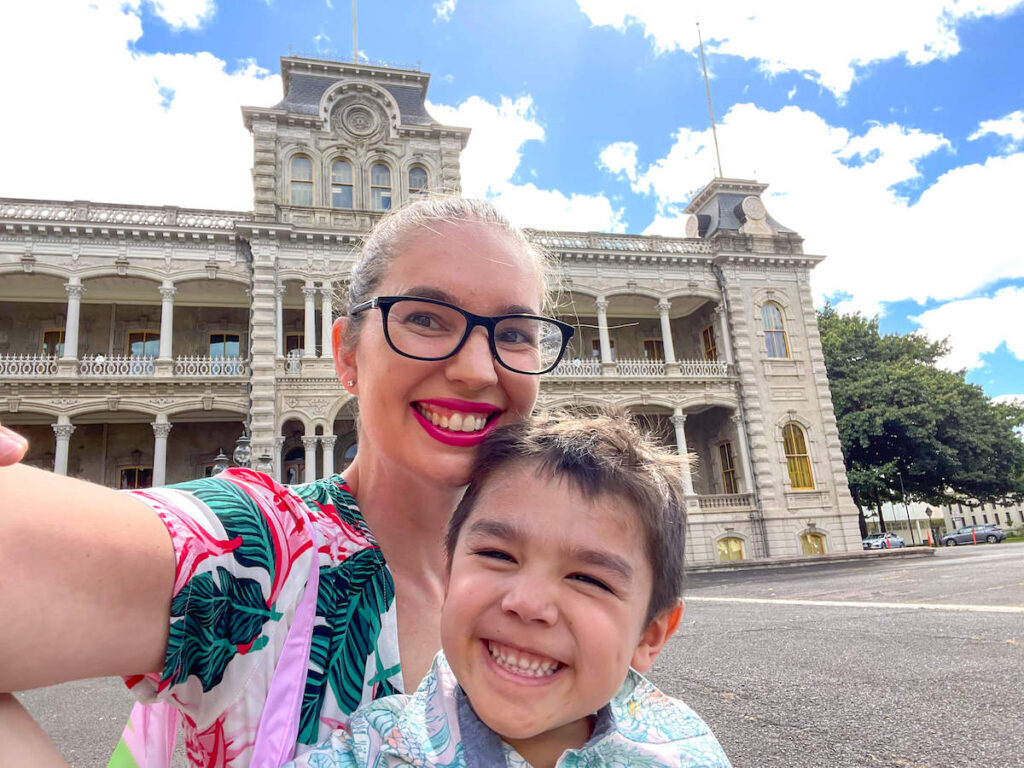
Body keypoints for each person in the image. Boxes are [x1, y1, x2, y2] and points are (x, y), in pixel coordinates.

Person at [0, 197, 574, 767]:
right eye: (424, 318)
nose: (477, 369)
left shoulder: (575, 582)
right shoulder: (256, 549)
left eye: (516, 334)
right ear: (347, 355)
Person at [282, 410, 730, 768]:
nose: (528, 604)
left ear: (651, 634)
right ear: (450, 571)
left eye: (588, 579)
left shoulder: (685, 748)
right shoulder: (370, 750)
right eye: (498, 555)